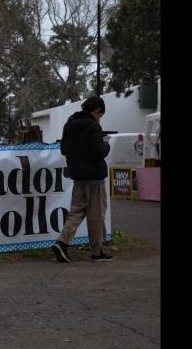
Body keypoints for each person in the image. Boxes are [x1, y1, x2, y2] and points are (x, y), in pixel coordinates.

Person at [51, 96, 113, 263]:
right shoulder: (94, 126)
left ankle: (62, 243)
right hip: (95, 177)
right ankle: (96, 252)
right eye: (101, 115)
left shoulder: (69, 124)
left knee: (76, 212)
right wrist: (106, 143)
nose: (100, 119)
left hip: (78, 177)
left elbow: (64, 150)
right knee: (96, 215)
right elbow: (99, 152)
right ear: (97, 111)